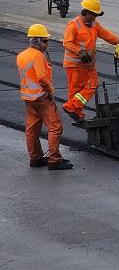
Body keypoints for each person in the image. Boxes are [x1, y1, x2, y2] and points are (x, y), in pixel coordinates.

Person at [62, 0, 119, 122]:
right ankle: (76, 112)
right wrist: (79, 52)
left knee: (92, 85)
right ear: (88, 13)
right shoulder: (73, 26)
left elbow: (106, 34)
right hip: (75, 65)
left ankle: (72, 108)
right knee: (76, 91)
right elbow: (67, 43)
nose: (96, 17)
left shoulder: (94, 24)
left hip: (88, 64)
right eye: (95, 14)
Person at [17, 24, 72, 170]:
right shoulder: (38, 56)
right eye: (45, 41)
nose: (47, 44)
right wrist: (50, 92)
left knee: (32, 130)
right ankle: (55, 160)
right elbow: (41, 77)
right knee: (55, 127)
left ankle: (35, 158)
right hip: (42, 98)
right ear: (36, 40)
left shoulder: (21, 56)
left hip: (28, 99)